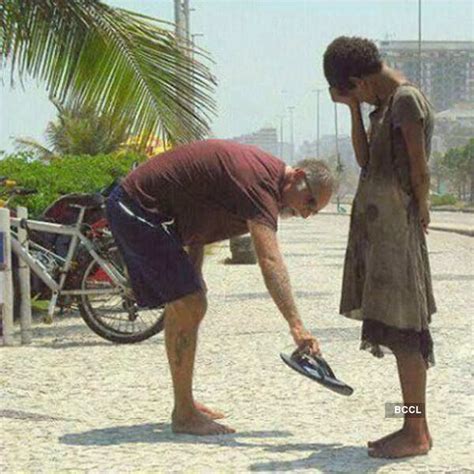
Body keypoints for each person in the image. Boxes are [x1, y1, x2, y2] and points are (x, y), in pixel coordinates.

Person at [106, 139, 334, 436]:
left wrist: (194, 272)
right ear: (299, 177)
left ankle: (184, 403)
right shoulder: (261, 183)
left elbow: (198, 218)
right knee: (189, 303)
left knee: (189, 302)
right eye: (310, 203)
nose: (306, 214)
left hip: (145, 209)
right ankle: (184, 414)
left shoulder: (264, 181)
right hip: (134, 206)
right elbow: (269, 258)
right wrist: (297, 326)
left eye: (314, 212)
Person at [323, 36, 436, 458]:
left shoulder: (405, 100)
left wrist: (421, 208)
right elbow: (367, 162)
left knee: (407, 333)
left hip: (397, 234)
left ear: (357, 79)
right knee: (398, 330)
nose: (357, 98)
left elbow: (419, 167)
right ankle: (412, 424)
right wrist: (354, 109)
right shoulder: (383, 105)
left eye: (352, 91)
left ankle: (415, 431)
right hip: (383, 234)